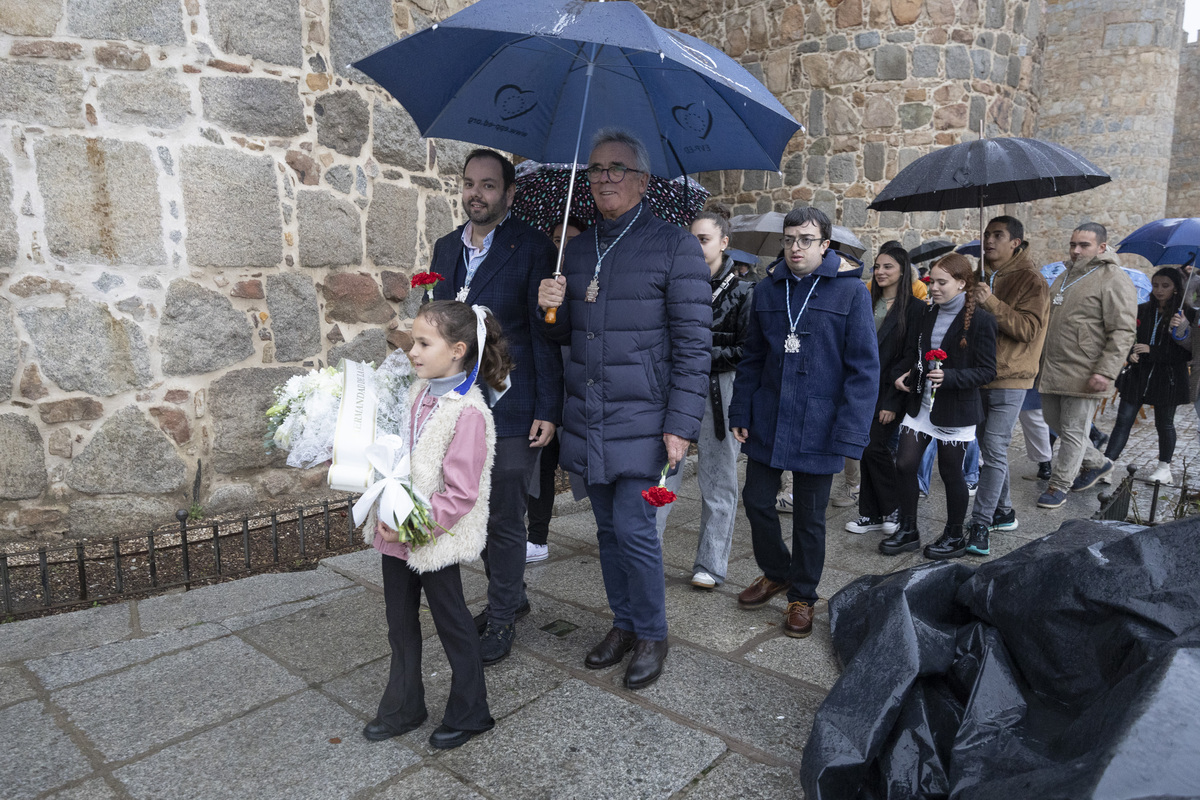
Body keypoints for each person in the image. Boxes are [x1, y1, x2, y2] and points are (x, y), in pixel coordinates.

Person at [538, 128, 711, 690]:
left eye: (616, 168)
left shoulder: (674, 245)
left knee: (637, 528)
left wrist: (682, 426)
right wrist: (550, 308)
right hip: (590, 415)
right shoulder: (578, 248)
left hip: (648, 419)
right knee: (607, 531)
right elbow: (564, 332)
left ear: (641, 179)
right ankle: (624, 622)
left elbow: (693, 345)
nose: (604, 178)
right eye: (595, 170)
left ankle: (653, 633)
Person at [430, 149, 563, 665]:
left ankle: (503, 616)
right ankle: (515, 595)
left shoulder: (532, 249)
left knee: (504, 513)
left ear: (508, 194)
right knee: (473, 505)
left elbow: (544, 335)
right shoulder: (445, 249)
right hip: (459, 403)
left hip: (513, 401)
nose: (476, 194)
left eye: (488, 185)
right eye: (469, 183)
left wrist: (549, 408)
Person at [363, 301, 511, 751]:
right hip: (395, 534)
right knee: (399, 622)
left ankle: (471, 711)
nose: (412, 350)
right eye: (413, 341)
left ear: (458, 350)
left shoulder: (468, 413)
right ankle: (405, 705)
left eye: (424, 343)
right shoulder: (419, 392)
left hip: (430, 539)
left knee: (453, 622)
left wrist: (412, 528)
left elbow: (461, 494)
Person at [730, 207, 877, 638]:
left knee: (809, 519)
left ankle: (803, 595)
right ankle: (777, 572)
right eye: (790, 239)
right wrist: (741, 410)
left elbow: (864, 370)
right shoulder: (768, 290)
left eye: (806, 240)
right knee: (757, 500)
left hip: (821, 421)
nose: (796, 247)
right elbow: (753, 357)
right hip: (770, 415)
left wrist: (851, 432)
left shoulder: (851, 294)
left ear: (825, 244)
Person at [653, 211, 753, 589]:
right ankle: (648, 551)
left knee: (719, 477)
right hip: (677, 386)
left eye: (704, 238)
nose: (695, 245)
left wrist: (700, 354)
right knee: (663, 472)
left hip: (721, 389)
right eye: (690, 237)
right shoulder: (675, 282)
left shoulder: (745, 291)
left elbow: (747, 349)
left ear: (724, 242)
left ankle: (710, 565)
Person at [879, 253, 997, 560]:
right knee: (904, 463)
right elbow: (922, 357)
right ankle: (908, 530)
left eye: (942, 282)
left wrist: (952, 377)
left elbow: (988, 371)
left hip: (955, 408)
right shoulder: (928, 315)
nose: (934, 288)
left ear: (961, 283)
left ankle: (955, 535)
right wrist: (908, 375)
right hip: (922, 404)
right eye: (932, 281)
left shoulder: (981, 321)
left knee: (950, 473)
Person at [962, 216, 1050, 554]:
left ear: (1016, 242)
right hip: (979, 374)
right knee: (988, 449)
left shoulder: (1032, 280)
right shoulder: (979, 274)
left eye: (997, 235)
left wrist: (991, 302)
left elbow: (1028, 329)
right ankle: (1004, 510)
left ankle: (981, 523)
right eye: (986, 234)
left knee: (995, 450)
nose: (989, 240)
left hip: (1011, 376)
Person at [1035, 223, 1136, 509]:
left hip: (1086, 369)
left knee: (1073, 430)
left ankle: (1059, 485)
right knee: (1054, 421)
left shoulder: (1113, 278)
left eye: (1084, 245)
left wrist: (1105, 371)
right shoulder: (1066, 275)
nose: (1076, 250)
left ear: (1102, 247)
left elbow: (1123, 330)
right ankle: (1099, 463)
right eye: (1073, 244)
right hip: (1053, 367)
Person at [846, 243, 925, 535]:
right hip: (862, 387)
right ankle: (870, 513)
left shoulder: (916, 309)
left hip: (892, 390)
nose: (879, 271)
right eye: (877, 266)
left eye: (887, 266)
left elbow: (909, 356)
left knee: (874, 447)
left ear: (903, 271)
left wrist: (891, 402)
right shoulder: (866, 301)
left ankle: (894, 507)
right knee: (864, 449)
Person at [525, 215, 588, 564]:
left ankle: (608, 530)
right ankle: (537, 537)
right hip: (548, 381)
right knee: (542, 460)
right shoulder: (542, 277)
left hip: (580, 381)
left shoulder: (592, 275)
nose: (561, 245)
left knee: (588, 465)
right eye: (556, 238)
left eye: (571, 239)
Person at [1105, 267, 1193, 484]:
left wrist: (1178, 331)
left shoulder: (1185, 314)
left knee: (1164, 423)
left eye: (1165, 286)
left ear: (1175, 289)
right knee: (1123, 419)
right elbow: (1127, 337)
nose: (1159, 290)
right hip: (1138, 374)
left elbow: (1186, 353)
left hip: (1168, 378)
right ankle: (1106, 464)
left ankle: (1164, 468)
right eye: (1155, 285)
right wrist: (1130, 353)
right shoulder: (1142, 310)